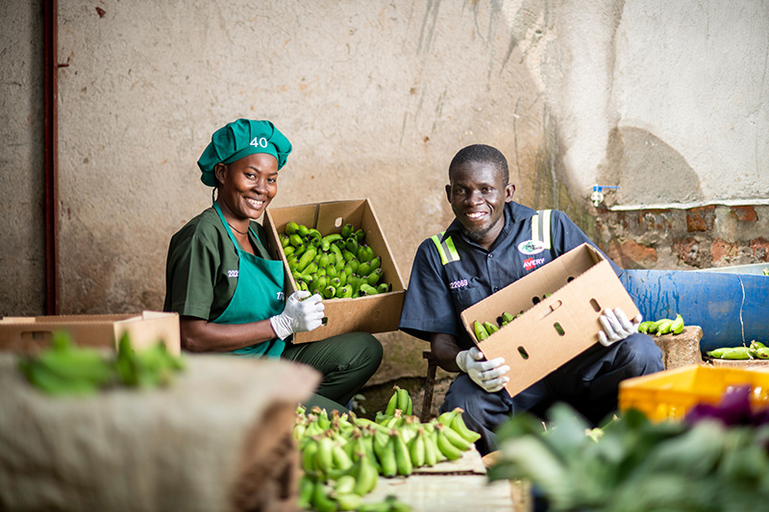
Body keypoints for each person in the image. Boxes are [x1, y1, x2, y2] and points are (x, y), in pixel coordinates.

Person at [398, 144, 664, 455]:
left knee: (641, 352)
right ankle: (510, 472)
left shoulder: (550, 227)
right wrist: (464, 361)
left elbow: (608, 288)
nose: (474, 201)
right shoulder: (436, 253)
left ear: (508, 191)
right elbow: (441, 346)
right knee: (464, 405)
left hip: (577, 368)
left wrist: (621, 321)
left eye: (486, 189)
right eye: (462, 191)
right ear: (449, 193)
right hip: (505, 383)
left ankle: (631, 451)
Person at [164, 118, 383, 411]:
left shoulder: (258, 233)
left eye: (271, 179)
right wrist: (279, 324)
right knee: (340, 421)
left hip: (268, 359)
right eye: (251, 175)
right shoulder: (202, 237)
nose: (262, 189)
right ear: (222, 173)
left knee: (364, 350)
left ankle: (286, 420)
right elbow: (189, 337)